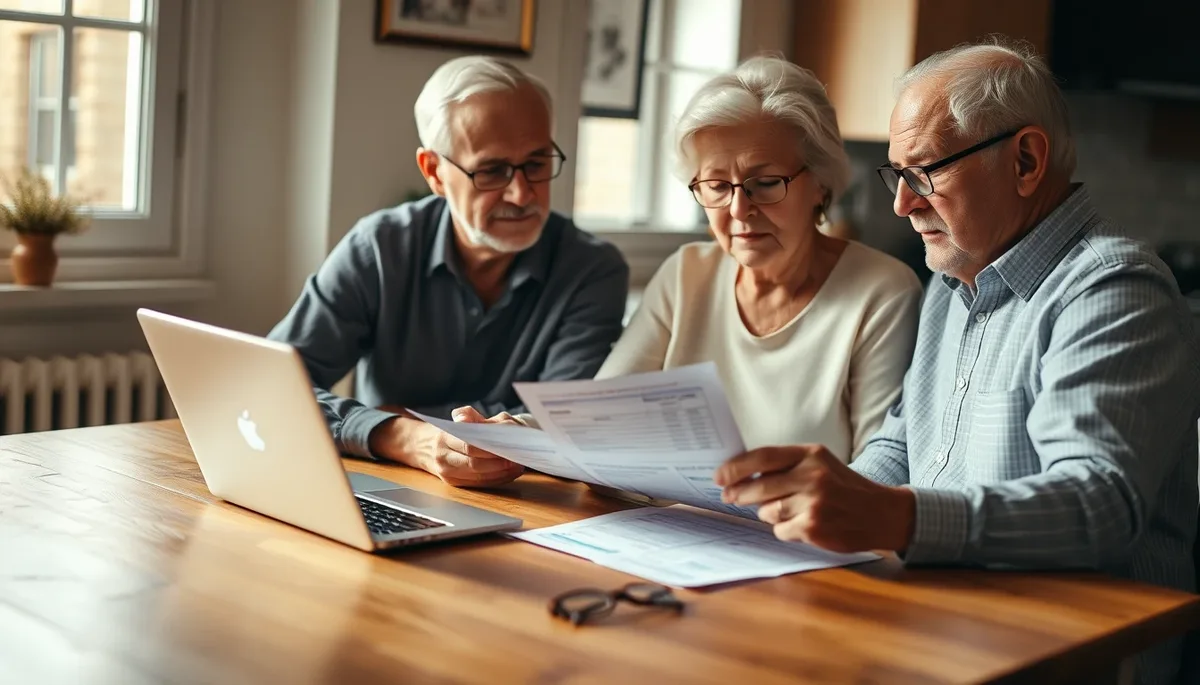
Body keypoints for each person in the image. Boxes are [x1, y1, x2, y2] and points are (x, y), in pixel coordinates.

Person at [715, 39, 1199, 685]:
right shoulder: (954, 280)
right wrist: (810, 506)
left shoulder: (1112, 288)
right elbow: (904, 443)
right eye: (897, 174)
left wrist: (894, 516)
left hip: (1074, 652)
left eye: (926, 172)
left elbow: (1099, 505)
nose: (902, 204)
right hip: (949, 619)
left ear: (1025, 160)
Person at [268, 56, 629, 488]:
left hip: (527, 500)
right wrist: (400, 435)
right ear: (434, 172)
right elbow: (271, 384)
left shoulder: (592, 271)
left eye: (536, 163)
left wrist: (400, 415)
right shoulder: (381, 248)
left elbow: (562, 426)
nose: (521, 192)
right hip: (386, 483)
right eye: (492, 170)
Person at [597, 56, 922, 460]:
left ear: (820, 185)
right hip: (664, 517)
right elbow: (601, 415)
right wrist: (514, 432)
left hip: (796, 524)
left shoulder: (881, 291)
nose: (737, 210)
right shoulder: (687, 273)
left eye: (766, 184)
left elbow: (878, 469)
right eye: (716, 185)